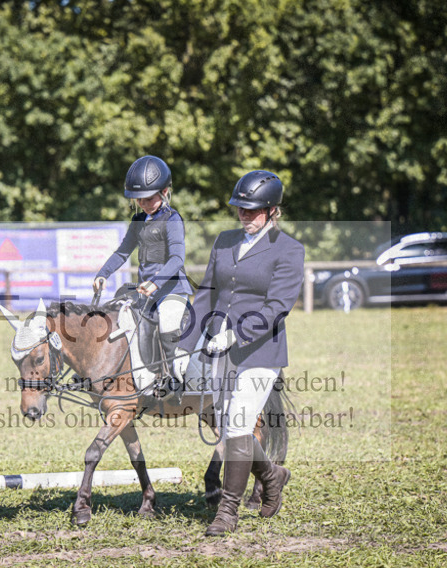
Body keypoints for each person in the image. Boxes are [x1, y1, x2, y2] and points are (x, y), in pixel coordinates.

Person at [173, 170, 305, 536]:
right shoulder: (225, 241)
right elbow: (206, 296)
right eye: (240, 210)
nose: (244, 216)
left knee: (237, 425)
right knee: (232, 428)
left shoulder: (289, 249)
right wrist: (186, 345)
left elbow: (278, 306)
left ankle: (227, 512)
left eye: (252, 211)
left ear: (272, 210)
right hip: (218, 352)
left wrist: (235, 334)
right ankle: (273, 475)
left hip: (261, 353)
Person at [93, 155, 193, 393]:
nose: (145, 204)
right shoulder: (138, 220)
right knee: (120, 322)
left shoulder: (172, 219)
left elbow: (177, 259)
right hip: (145, 291)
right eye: (140, 200)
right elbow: (122, 252)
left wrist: (156, 283)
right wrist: (103, 273)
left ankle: (172, 379)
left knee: (168, 325)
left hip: (171, 290)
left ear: (165, 192)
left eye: (150, 199)